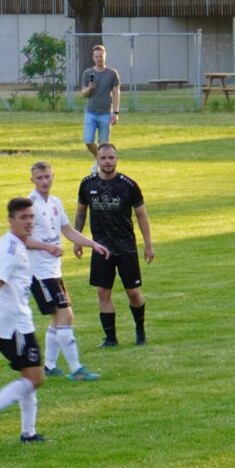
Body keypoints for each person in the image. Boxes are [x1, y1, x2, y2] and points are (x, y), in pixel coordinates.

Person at [25, 160, 111, 381]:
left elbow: (67, 230)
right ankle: (76, 369)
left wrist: (92, 244)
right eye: (40, 178)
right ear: (32, 180)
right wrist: (47, 247)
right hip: (39, 273)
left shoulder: (55, 202)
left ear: (53, 177)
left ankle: (49, 366)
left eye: (47, 177)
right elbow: (23, 238)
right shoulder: (29, 205)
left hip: (54, 271)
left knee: (57, 318)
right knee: (65, 314)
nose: (44, 181)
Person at [0, 198, 46, 444]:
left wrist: (47, 247)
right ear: (11, 220)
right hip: (15, 326)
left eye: (31, 216)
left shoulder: (11, 241)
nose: (29, 221)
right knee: (35, 379)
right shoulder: (13, 250)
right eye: (23, 217)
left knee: (28, 376)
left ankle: (29, 433)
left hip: (15, 323)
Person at [74, 143, 155, 347]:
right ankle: (110, 339)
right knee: (103, 293)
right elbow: (81, 212)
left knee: (133, 293)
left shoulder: (128, 185)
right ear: (97, 160)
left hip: (126, 248)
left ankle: (140, 330)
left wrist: (148, 245)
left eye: (111, 158)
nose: (107, 162)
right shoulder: (87, 184)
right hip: (101, 249)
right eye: (103, 158)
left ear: (116, 159)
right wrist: (77, 239)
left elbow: (142, 217)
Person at [80, 44, 121, 159]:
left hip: (105, 113)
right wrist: (89, 88)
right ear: (93, 57)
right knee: (88, 141)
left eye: (101, 56)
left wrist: (116, 113)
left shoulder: (112, 73)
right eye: (96, 56)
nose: (99, 59)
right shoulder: (87, 73)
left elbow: (116, 93)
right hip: (91, 112)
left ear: (105, 57)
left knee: (104, 145)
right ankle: (99, 159)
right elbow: (83, 93)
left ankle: (101, 163)